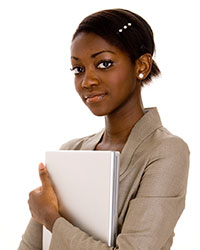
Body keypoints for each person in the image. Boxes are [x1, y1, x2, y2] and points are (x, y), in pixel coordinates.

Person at [18, 8, 190, 250]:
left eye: (104, 64)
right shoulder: (70, 152)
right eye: (78, 69)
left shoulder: (166, 151)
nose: (87, 81)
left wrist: (51, 219)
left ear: (141, 65)